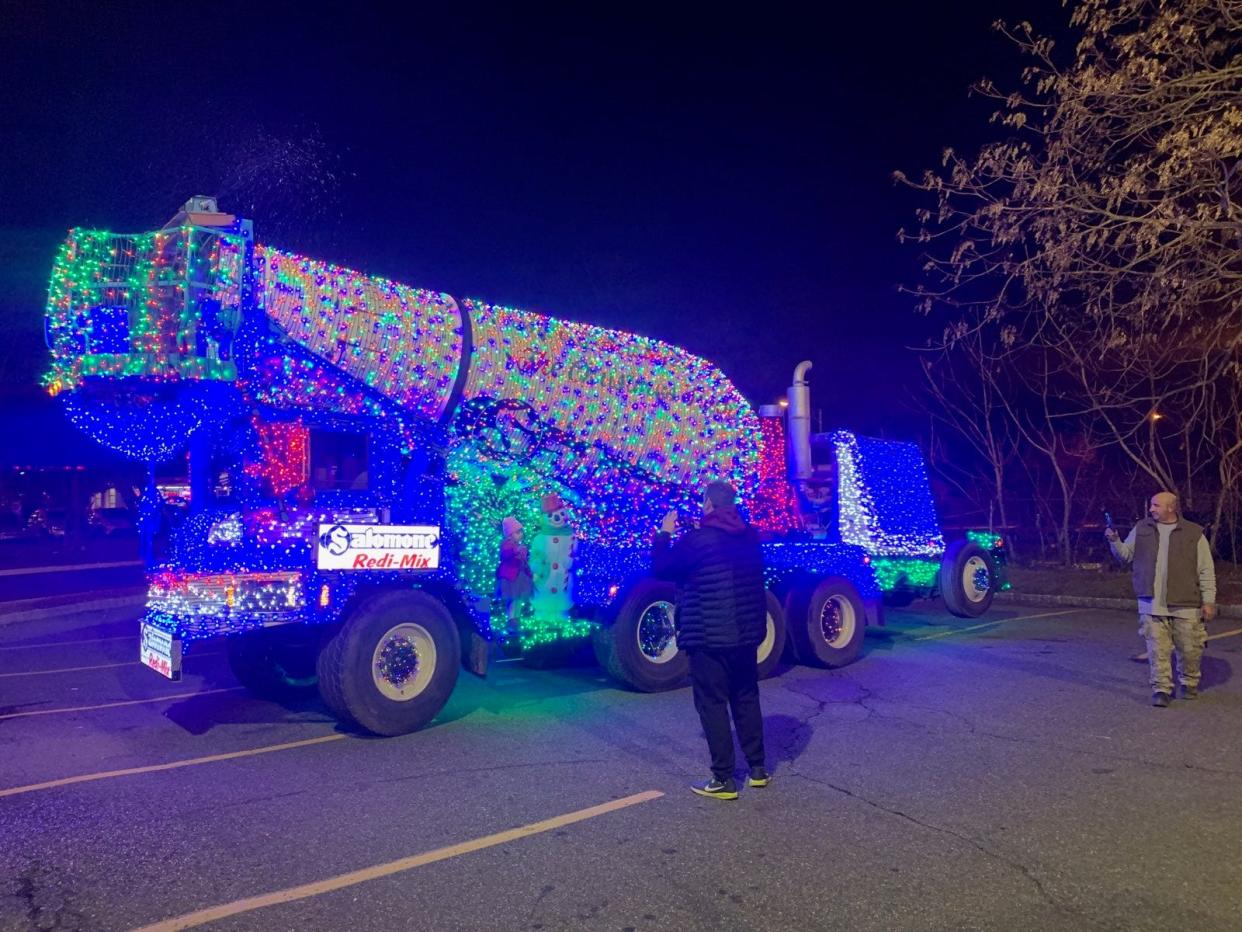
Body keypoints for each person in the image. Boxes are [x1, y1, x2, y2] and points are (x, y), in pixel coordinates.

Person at [653, 480, 769, 800]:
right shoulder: (750, 537)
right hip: (745, 635)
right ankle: (758, 769)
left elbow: (661, 568)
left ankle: (723, 779)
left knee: (712, 703)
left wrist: (664, 533)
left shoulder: (696, 541)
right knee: (746, 696)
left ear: (708, 505)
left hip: (708, 638)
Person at [1106, 492, 1217, 707]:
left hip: (1185, 604)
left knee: (1190, 648)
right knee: (1157, 649)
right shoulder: (1142, 529)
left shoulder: (1194, 533)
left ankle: (1189, 682)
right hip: (1151, 603)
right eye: (1151, 505)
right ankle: (1161, 688)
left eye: (1156, 505)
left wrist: (1209, 600)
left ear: (1171, 508)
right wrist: (1114, 541)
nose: (1151, 509)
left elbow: (1206, 569)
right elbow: (1125, 556)